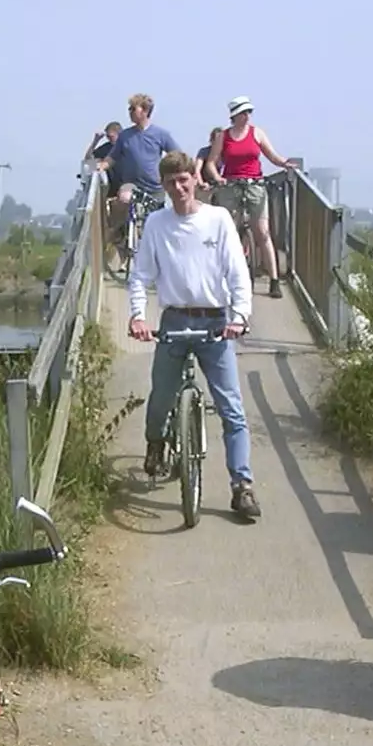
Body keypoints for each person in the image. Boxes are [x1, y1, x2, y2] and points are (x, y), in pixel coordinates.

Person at [127, 150, 261, 520]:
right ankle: (156, 442)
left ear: (196, 179)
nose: (179, 187)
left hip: (215, 322)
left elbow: (237, 272)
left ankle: (242, 486)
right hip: (174, 321)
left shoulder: (218, 220)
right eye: (171, 182)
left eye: (184, 179)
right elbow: (140, 275)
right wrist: (138, 316)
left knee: (232, 409)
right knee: (160, 398)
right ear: (164, 186)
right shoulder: (157, 223)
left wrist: (240, 316)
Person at [207, 96, 298, 299]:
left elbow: (271, 155)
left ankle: (274, 280)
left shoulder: (257, 133)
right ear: (235, 115)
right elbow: (211, 162)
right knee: (228, 231)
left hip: (255, 184)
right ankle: (223, 275)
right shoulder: (224, 136)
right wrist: (217, 178)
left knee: (262, 232)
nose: (247, 116)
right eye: (243, 112)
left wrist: (284, 163)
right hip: (230, 185)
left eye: (249, 112)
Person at [96, 93, 183, 242]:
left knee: (156, 225)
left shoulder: (161, 134)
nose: (129, 112)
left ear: (144, 111)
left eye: (132, 109)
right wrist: (101, 167)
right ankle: (118, 231)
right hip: (132, 184)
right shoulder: (125, 135)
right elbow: (112, 157)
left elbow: (177, 155)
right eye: (129, 109)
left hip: (154, 187)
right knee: (124, 198)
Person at [195, 127, 225, 202]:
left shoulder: (225, 153)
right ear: (212, 140)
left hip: (219, 185)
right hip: (205, 184)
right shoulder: (204, 151)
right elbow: (197, 170)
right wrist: (201, 183)